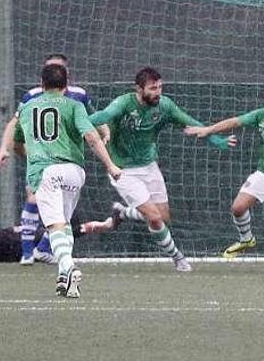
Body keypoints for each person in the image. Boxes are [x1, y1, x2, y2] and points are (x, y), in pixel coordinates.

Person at [88, 67, 237, 272]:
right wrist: (78, 123)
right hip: (123, 171)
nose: (158, 92)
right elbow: (104, 115)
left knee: (163, 218)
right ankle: (178, 258)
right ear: (138, 89)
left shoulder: (164, 106)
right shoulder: (123, 103)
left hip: (149, 167)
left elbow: (190, 123)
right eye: (152, 88)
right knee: (155, 218)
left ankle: (123, 213)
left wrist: (216, 139)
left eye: (160, 87)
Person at [14, 63, 121, 298]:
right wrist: (111, 165)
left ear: (41, 84)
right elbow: (92, 137)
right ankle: (64, 279)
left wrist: (31, 159)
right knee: (63, 224)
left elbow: (17, 143)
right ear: (67, 84)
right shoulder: (75, 105)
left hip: (46, 173)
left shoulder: (27, 108)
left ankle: (68, 268)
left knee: (54, 225)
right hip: (74, 172)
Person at [0, 53, 112, 265]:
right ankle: (29, 252)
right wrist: (5, 148)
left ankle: (45, 251)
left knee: (61, 215)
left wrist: (105, 132)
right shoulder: (31, 98)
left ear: (66, 74)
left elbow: (94, 116)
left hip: (65, 159)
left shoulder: (78, 96)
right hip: (44, 159)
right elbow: (15, 125)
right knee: (35, 199)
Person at [184, 77, 264, 272]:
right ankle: (246, 239)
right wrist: (209, 129)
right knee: (238, 207)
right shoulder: (261, 115)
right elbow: (236, 121)